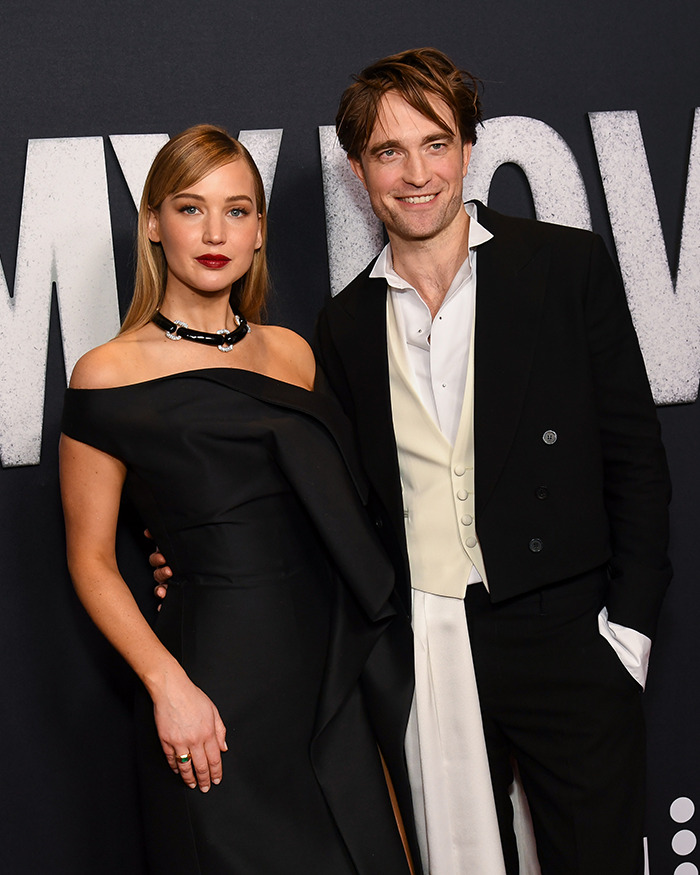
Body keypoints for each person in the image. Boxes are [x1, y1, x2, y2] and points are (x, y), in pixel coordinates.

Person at [312, 48, 672, 875]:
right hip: (432, 645)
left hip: (568, 638)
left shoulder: (563, 266)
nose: (416, 174)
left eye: (435, 143)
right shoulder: (345, 325)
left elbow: (635, 458)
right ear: (359, 168)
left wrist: (629, 634)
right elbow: (347, 504)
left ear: (469, 149)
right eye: (388, 152)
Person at [60, 124, 417, 875]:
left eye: (238, 210)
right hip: (213, 683)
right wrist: (170, 686)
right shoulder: (107, 374)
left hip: (331, 669)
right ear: (153, 226)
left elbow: (335, 509)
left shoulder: (293, 353)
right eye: (190, 209)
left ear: (260, 230)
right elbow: (91, 559)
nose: (215, 233)